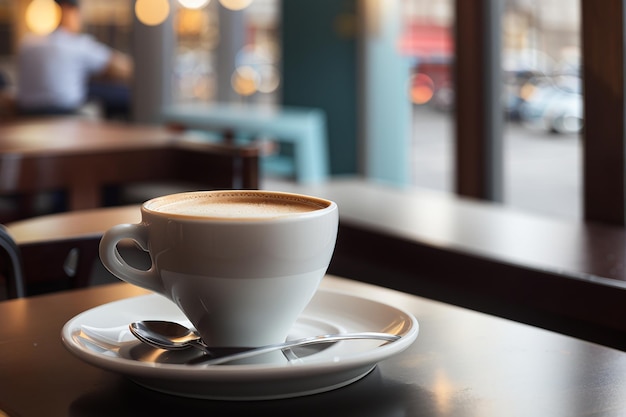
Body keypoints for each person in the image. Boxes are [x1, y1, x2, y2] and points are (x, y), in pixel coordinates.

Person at [16, 0, 133, 117]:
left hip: (25, 114)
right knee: (125, 95)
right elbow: (124, 70)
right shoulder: (76, 44)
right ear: (68, 12)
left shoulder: (27, 43)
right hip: (64, 115)